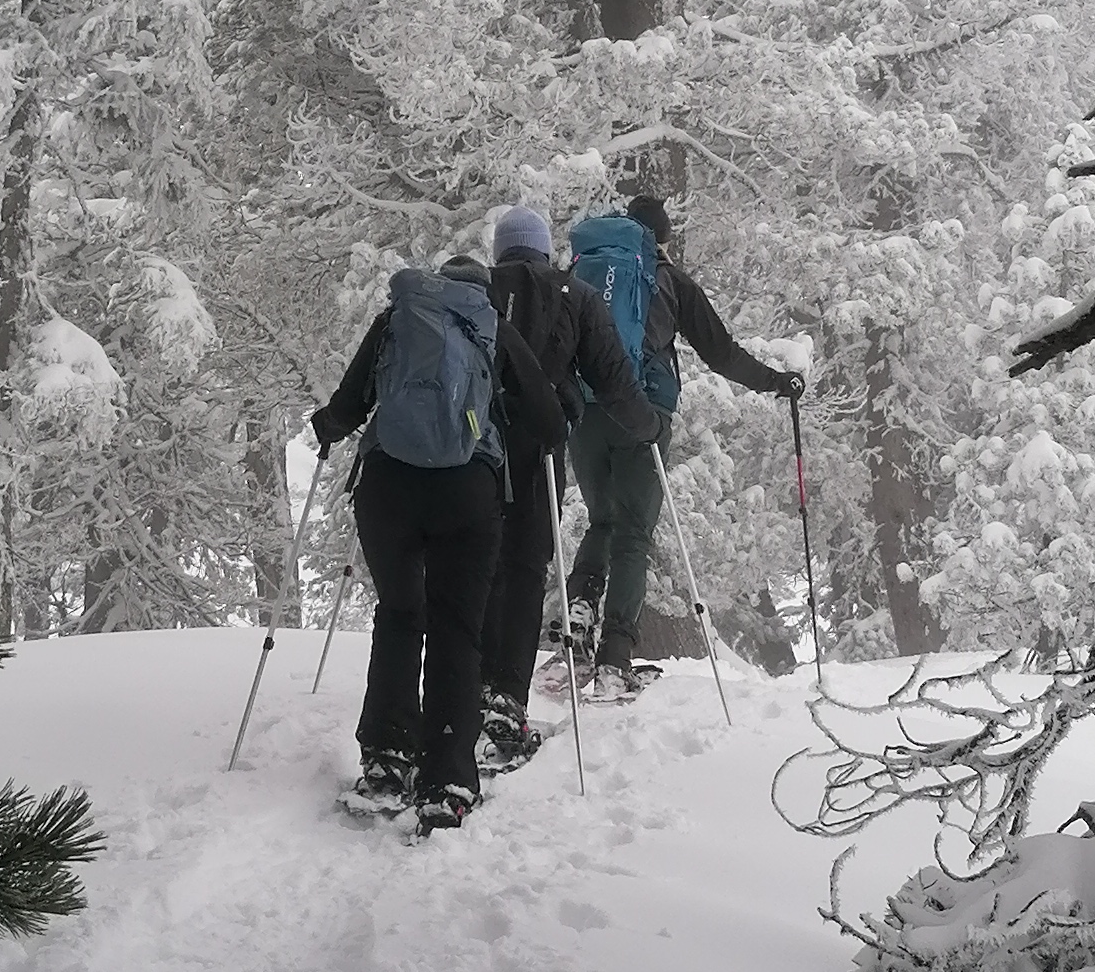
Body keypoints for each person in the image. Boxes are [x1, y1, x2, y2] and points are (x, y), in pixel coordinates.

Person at [313, 250, 564, 830]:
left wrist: (326, 428)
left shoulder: (399, 318)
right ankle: (447, 781)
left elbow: (348, 407)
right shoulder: (491, 326)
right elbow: (548, 421)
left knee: (400, 614)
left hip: (387, 489)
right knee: (457, 628)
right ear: (483, 292)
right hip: (467, 494)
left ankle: (385, 760)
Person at [566, 189, 803, 696]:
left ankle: (579, 613)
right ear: (665, 238)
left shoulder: (584, 276)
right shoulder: (670, 282)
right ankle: (614, 660)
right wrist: (775, 382)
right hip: (644, 414)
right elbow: (721, 354)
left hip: (585, 413)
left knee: (602, 521)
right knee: (633, 531)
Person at [477, 201, 660, 769]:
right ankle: (505, 703)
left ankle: (463, 697)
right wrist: (647, 424)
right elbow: (610, 375)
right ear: (547, 247)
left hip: (474, 454)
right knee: (527, 567)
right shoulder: (571, 295)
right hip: (539, 453)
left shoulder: (472, 291)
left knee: (475, 568)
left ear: (500, 248)